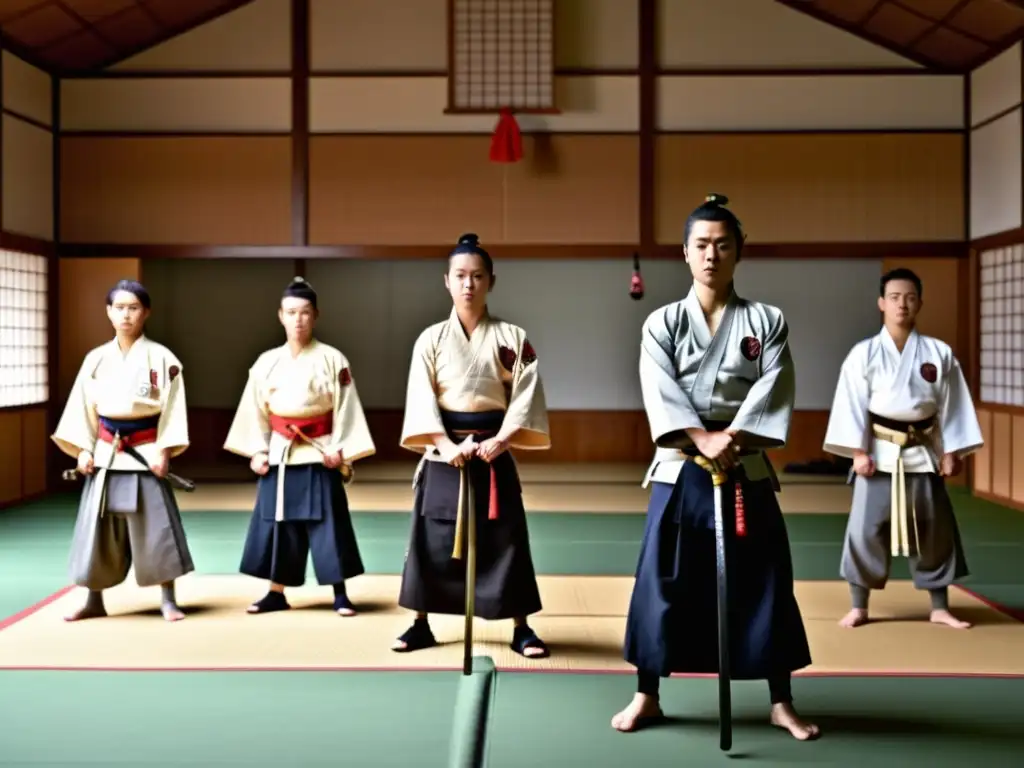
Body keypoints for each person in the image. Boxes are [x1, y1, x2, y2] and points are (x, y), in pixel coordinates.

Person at [612, 194, 819, 741]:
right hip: (680, 469)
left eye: (722, 245)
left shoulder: (765, 321)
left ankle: (781, 699)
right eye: (701, 245)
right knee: (661, 581)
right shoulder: (663, 322)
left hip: (745, 467)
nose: (712, 255)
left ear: (739, 251)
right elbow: (658, 387)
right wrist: (702, 437)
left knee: (767, 581)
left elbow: (775, 386)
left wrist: (732, 438)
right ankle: (646, 694)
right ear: (685, 253)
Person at [391, 233, 551, 659]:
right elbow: (420, 398)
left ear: (491, 282)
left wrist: (501, 440)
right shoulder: (430, 340)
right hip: (446, 453)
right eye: (460, 276)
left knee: (506, 538)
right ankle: (421, 622)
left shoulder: (513, 337)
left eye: (477, 276)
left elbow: (526, 394)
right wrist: (445, 444)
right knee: (432, 537)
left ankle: (521, 627)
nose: (468, 285)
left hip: (493, 450)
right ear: (446, 281)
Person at [823, 267, 983, 630]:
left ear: (920, 303)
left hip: (922, 453)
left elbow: (952, 405)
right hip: (879, 453)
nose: (902, 305)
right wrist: (858, 451)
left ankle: (939, 606)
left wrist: (950, 450)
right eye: (894, 298)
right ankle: (859, 604)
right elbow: (851, 404)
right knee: (865, 529)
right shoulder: (863, 354)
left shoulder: (938, 353)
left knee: (934, 529)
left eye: (910, 298)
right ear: (882, 303)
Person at [223, 277, 376, 616]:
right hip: (280, 451)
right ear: (280, 315)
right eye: (291, 312)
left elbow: (346, 408)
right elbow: (255, 411)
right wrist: (258, 452)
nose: (298, 319)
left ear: (316, 315)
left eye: (305, 312)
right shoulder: (265, 362)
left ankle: (340, 592)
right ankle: (276, 592)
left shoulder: (333, 359)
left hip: (320, 450)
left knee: (329, 524)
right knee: (279, 523)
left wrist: (341, 449)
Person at [51, 279, 194, 622]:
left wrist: (165, 451)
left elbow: (173, 408)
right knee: (96, 534)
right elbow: (82, 409)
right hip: (106, 454)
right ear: (108, 312)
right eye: (119, 308)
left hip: (145, 453)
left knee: (157, 529)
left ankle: (168, 598)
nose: (126, 315)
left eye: (133, 308)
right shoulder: (96, 360)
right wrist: (82, 451)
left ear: (145, 312)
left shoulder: (163, 358)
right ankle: (93, 600)